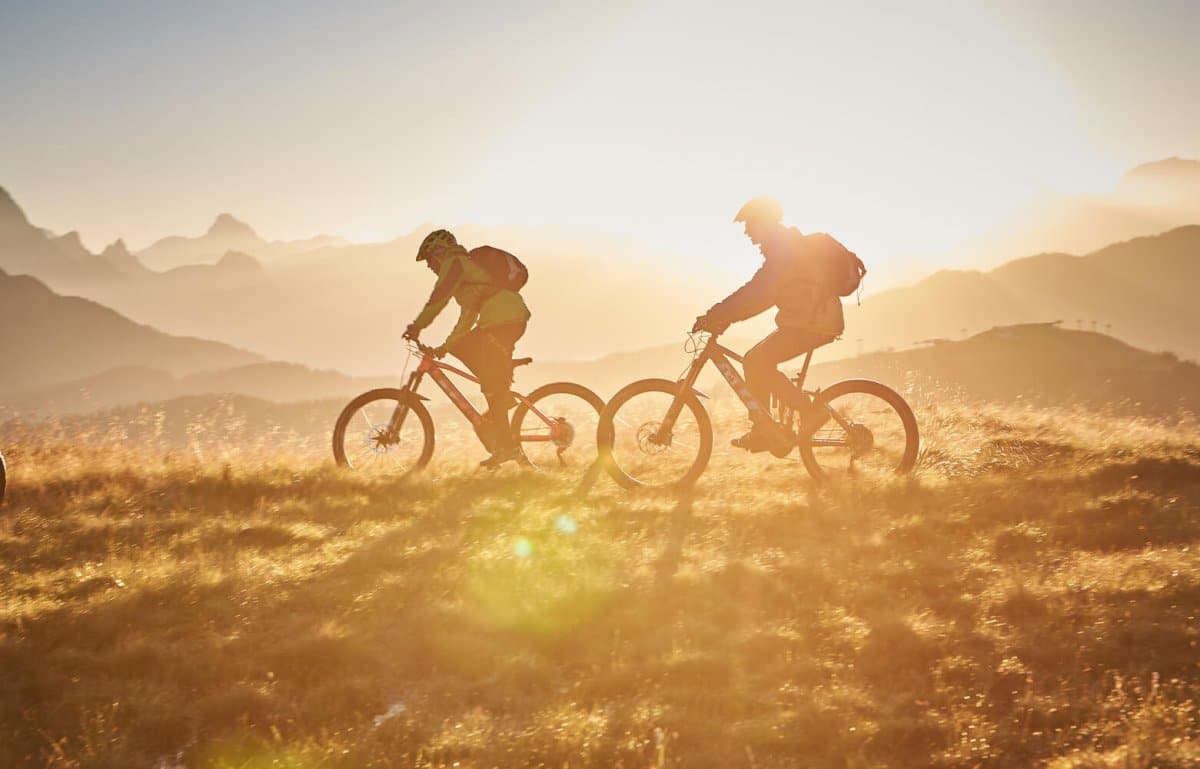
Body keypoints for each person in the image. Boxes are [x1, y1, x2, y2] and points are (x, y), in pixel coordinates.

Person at [692, 197, 847, 453]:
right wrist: (723, 316)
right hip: (808, 320)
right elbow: (758, 295)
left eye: (749, 224)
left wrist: (717, 315)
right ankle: (767, 429)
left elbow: (757, 294)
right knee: (756, 360)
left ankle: (808, 414)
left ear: (763, 223)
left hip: (813, 322)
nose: (746, 231)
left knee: (755, 361)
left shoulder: (785, 253)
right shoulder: (785, 249)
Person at [402, 229, 532, 467]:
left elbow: (438, 298)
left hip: (503, 321)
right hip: (504, 320)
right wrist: (444, 347)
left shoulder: (455, 264)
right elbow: (467, 317)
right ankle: (500, 381)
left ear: (439, 253)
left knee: (492, 387)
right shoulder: (469, 278)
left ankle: (506, 445)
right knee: (463, 347)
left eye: (429, 260)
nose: (429, 267)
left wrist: (417, 326)